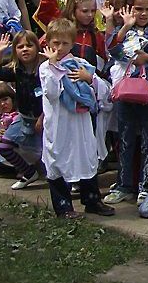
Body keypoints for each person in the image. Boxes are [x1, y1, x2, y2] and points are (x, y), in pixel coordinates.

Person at [39, 19, 115, 219]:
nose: (59, 48)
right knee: (58, 160)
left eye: (64, 43)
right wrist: (55, 68)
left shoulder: (80, 65)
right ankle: (63, 207)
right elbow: (52, 93)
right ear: (48, 43)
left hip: (80, 124)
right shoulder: (46, 68)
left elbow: (104, 90)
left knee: (87, 157)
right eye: (55, 43)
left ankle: (92, 200)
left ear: (72, 44)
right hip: (58, 125)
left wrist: (88, 78)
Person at [104, 0, 148, 205]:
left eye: (147, 9)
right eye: (138, 9)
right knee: (125, 139)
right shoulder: (123, 29)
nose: (143, 14)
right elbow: (112, 51)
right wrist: (125, 27)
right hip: (125, 94)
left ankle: (145, 185)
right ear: (129, 9)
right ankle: (124, 184)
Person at [0, 31, 44, 189]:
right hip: (24, 118)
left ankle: (64, 181)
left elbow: (51, 98)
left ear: (37, 47)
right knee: (3, 147)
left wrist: (42, 117)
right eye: (20, 47)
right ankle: (28, 172)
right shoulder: (17, 70)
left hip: (45, 118)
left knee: (50, 154)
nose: (25, 49)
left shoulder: (44, 69)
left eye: (29, 45)